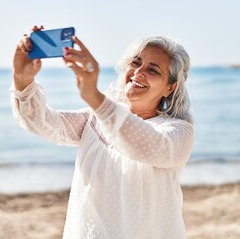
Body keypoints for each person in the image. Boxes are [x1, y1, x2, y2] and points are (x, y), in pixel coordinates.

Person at [11, 25, 194, 239]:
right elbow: (41, 122)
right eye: (136, 62)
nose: (138, 72)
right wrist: (22, 79)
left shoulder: (177, 132)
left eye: (153, 70)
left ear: (170, 87)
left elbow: (147, 146)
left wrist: (94, 97)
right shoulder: (95, 119)